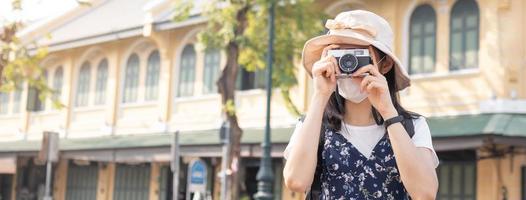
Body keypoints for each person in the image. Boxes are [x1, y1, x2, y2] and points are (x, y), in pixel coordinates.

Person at [283, 10, 439, 200]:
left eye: (357, 56)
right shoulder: (313, 126)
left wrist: (389, 112)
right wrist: (320, 96)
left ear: (385, 64)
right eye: (340, 55)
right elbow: (296, 182)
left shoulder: (413, 126)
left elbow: (425, 193)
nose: (348, 65)